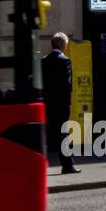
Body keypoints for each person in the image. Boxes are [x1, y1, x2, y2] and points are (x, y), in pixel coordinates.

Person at [41, 32, 77, 174]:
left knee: (48, 133)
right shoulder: (65, 60)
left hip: (47, 103)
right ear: (64, 45)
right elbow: (68, 85)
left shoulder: (43, 60)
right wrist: (68, 102)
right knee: (63, 134)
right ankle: (67, 165)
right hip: (61, 104)